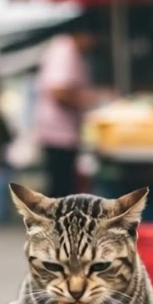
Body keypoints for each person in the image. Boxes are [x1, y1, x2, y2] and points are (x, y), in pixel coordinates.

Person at [34, 27, 98, 196]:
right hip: (58, 132)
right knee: (61, 186)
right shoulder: (64, 51)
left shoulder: (67, 50)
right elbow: (58, 91)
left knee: (62, 184)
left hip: (61, 132)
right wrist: (86, 100)